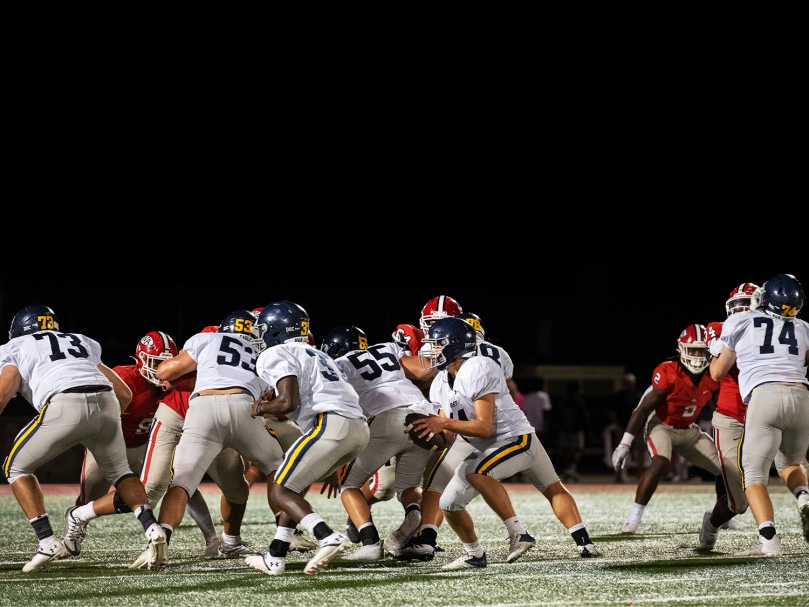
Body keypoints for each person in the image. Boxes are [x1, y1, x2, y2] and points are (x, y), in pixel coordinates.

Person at [410, 317, 600, 569]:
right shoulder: (440, 383)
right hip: (488, 445)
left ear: (453, 346)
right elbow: (447, 435)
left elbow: (483, 426)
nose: (430, 351)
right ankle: (475, 554)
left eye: (436, 344)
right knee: (448, 503)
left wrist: (443, 424)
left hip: (515, 438)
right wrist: (423, 433)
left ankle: (521, 533)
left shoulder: (477, 367)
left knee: (485, 474)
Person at [0, 304, 166, 572]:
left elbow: (3, 392)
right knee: (121, 472)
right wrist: (100, 424)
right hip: (107, 402)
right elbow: (123, 394)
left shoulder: (15, 347)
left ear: (17, 331)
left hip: (64, 402)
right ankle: (151, 526)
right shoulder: (79, 340)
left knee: (15, 467)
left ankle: (47, 541)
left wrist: (73, 421)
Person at [130, 309, 285, 571]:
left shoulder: (206, 339)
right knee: (278, 468)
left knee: (182, 481)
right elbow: (278, 399)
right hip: (243, 407)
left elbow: (166, 371)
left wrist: (199, 373)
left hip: (202, 409)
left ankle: (161, 537)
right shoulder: (265, 351)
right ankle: (284, 536)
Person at [61, 331, 225, 559]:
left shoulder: (180, 383)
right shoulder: (123, 378)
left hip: (145, 445)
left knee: (182, 482)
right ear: (140, 360)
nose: (161, 370)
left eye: (166, 363)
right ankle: (73, 531)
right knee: (88, 498)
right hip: (110, 446)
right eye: (156, 363)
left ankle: (211, 539)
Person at [245, 301, 370, 576]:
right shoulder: (315, 353)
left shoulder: (276, 352)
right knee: (294, 487)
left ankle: (327, 536)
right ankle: (275, 557)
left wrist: (260, 407)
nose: (260, 334)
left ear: (276, 330)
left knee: (280, 490)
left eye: (264, 328)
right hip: (357, 428)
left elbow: (288, 402)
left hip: (329, 424)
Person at [709, 273, 809, 556]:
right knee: (791, 464)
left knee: (753, 475)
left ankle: (769, 540)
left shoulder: (740, 320)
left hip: (764, 396)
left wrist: (718, 351)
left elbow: (717, 373)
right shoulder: (803, 326)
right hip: (801, 395)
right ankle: (804, 498)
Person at [319, 324, 437, 561]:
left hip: (385, 416)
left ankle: (370, 543)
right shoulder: (388, 348)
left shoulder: (337, 364)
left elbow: (337, 407)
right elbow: (424, 372)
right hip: (423, 414)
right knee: (408, 486)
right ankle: (413, 512)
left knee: (349, 485)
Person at [612, 324, 739, 534]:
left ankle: (723, 515)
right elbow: (643, 409)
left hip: (688, 430)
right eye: (693, 351)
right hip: (661, 425)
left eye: (702, 350)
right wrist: (624, 444)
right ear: (681, 350)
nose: (698, 356)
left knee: (724, 468)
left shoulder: (713, 374)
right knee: (661, 462)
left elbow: (719, 411)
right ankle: (634, 518)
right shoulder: (669, 371)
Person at [603, 373, 646, 483]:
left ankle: (639, 475)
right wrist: (617, 425)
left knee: (639, 452)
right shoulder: (619, 396)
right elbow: (612, 411)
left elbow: (645, 411)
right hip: (623, 428)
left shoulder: (640, 395)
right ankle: (619, 476)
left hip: (638, 428)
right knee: (620, 452)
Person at [521, 378, 552, 444]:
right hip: (541, 427)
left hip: (530, 427)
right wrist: (546, 426)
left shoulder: (528, 396)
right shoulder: (544, 396)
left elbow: (524, 412)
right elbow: (546, 412)